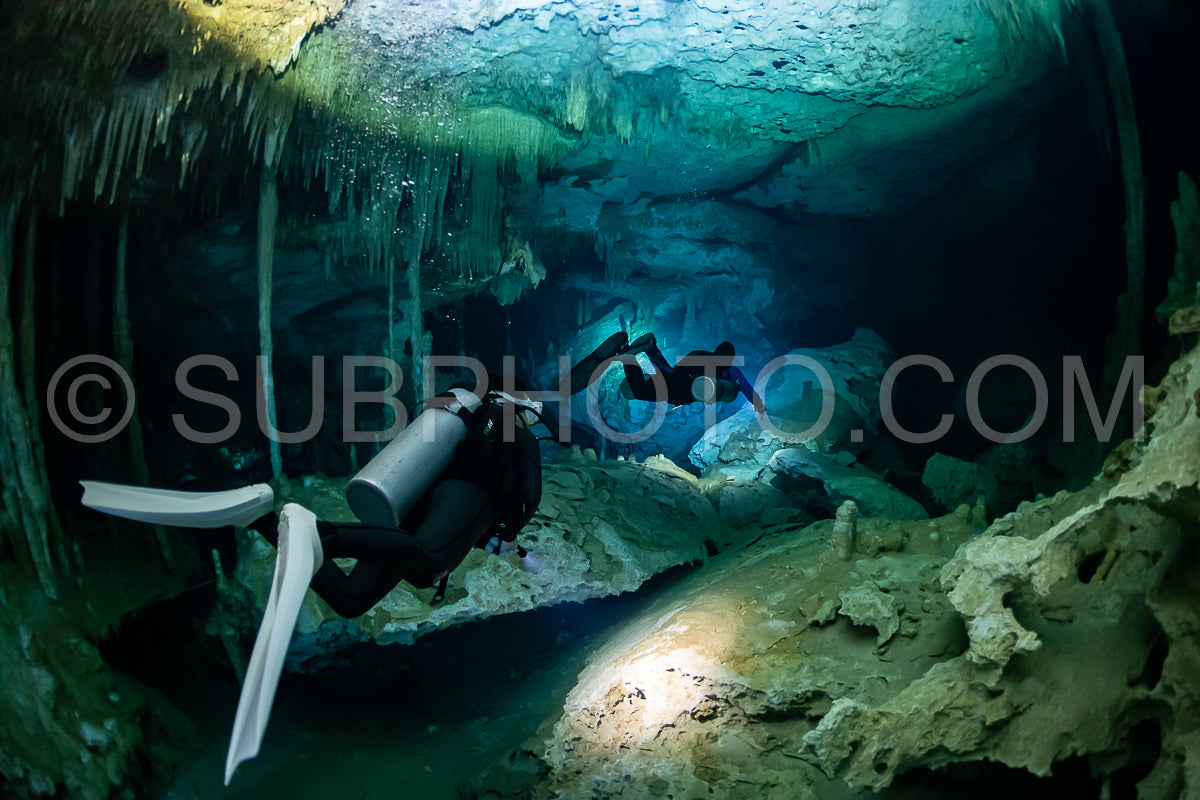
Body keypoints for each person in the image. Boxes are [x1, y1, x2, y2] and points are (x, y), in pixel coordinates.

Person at [245, 389, 542, 612]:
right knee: (428, 567)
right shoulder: (522, 436)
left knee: (352, 598)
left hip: (424, 500)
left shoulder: (473, 433)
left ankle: (264, 521)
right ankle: (322, 535)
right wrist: (508, 534)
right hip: (468, 497)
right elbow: (529, 496)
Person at [617, 335, 762, 410]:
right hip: (685, 392)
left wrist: (653, 353)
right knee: (640, 390)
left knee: (649, 386)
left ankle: (650, 348)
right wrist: (759, 406)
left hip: (678, 380)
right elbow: (746, 388)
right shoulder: (731, 370)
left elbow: (672, 371)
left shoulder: (701, 355)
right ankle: (629, 357)